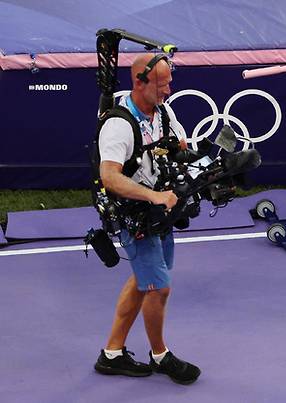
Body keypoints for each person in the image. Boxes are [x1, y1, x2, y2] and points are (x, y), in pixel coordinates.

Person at [93, 53, 201, 383]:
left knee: (146, 281)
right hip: (134, 214)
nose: (168, 90)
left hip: (160, 211)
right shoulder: (119, 124)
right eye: (162, 84)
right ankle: (160, 356)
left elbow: (181, 147)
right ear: (139, 82)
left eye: (170, 83)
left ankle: (112, 354)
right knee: (160, 287)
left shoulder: (164, 112)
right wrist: (154, 195)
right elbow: (109, 176)